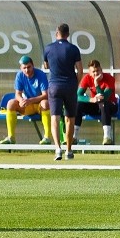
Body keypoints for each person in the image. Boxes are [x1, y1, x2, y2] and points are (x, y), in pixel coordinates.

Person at [43, 23, 83, 161]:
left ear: (56, 33)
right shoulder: (73, 49)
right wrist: (75, 84)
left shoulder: (48, 48)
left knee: (55, 117)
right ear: (68, 34)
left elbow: (46, 65)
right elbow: (80, 70)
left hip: (54, 85)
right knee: (69, 118)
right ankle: (69, 150)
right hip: (70, 85)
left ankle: (57, 148)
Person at [0, 55, 52, 145]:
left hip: (40, 105)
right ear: (21, 68)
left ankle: (47, 137)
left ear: (33, 65)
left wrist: (30, 100)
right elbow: (17, 94)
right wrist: (21, 100)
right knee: (10, 103)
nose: (27, 70)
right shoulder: (20, 75)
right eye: (24, 68)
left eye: (29, 67)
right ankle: (11, 137)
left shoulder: (40, 74)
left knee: (45, 103)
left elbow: (45, 95)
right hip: (28, 106)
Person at [75, 60, 118, 145]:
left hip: (110, 105)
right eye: (93, 71)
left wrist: (96, 84)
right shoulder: (87, 78)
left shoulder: (109, 78)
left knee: (104, 104)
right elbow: (78, 96)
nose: (96, 73)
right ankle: (73, 136)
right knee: (78, 105)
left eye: (97, 70)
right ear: (89, 72)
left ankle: (107, 137)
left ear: (101, 70)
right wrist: (91, 100)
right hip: (95, 105)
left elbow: (104, 97)